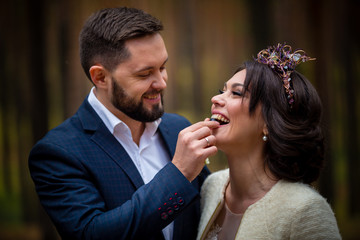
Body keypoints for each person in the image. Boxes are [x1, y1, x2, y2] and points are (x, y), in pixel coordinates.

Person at [28, 7, 219, 240]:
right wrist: (178, 173)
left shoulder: (177, 128)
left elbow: (213, 206)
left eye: (162, 67)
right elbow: (91, 234)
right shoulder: (58, 152)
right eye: (144, 74)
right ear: (100, 77)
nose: (161, 83)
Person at [197, 43, 341, 240]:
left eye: (236, 93)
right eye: (222, 91)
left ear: (269, 123)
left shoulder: (305, 211)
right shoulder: (210, 187)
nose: (216, 99)